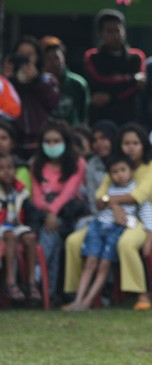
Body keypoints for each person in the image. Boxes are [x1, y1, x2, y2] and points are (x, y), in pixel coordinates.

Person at [64, 123, 152, 311]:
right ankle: (77, 294)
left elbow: (138, 197)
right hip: (109, 221)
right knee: (73, 241)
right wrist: (114, 204)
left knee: (125, 243)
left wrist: (111, 201)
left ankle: (141, 293)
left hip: (143, 222)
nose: (131, 147)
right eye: (126, 143)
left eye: (136, 143)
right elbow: (98, 199)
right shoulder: (116, 166)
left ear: (144, 145)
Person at [29, 120, 87, 303]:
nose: (52, 145)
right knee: (50, 236)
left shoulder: (77, 163)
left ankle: (43, 286)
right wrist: (49, 214)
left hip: (69, 213)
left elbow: (69, 192)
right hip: (43, 216)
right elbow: (37, 197)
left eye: (56, 141)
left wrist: (53, 212)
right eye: (48, 141)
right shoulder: (36, 164)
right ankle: (48, 292)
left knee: (51, 235)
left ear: (65, 141)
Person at [84, 9, 147, 125]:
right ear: (100, 34)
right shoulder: (92, 57)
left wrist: (111, 97)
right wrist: (131, 79)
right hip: (100, 120)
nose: (115, 35)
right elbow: (99, 80)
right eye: (109, 31)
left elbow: (139, 86)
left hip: (130, 120)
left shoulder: (137, 56)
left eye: (118, 30)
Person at [4, 36, 60, 157]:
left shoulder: (47, 80)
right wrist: (7, 80)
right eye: (21, 54)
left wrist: (36, 81)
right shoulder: (6, 82)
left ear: (38, 57)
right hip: (14, 144)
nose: (25, 58)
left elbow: (52, 103)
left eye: (30, 54)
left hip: (41, 143)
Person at [0, 152, 41, 304]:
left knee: (29, 238)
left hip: (14, 225)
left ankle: (30, 283)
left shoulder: (20, 191)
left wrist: (32, 228)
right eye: (1, 168)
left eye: (10, 167)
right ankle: (10, 282)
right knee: (10, 236)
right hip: (2, 227)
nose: (6, 171)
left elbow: (31, 214)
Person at [79, 120, 119, 230]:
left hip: (125, 215)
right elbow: (92, 198)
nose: (98, 144)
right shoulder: (92, 164)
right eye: (95, 140)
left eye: (103, 138)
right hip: (100, 215)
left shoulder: (125, 162)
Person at [41, 36, 90, 126]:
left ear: (64, 57)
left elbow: (84, 116)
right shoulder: (39, 85)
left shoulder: (78, 84)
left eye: (56, 57)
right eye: (48, 58)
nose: (53, 62)